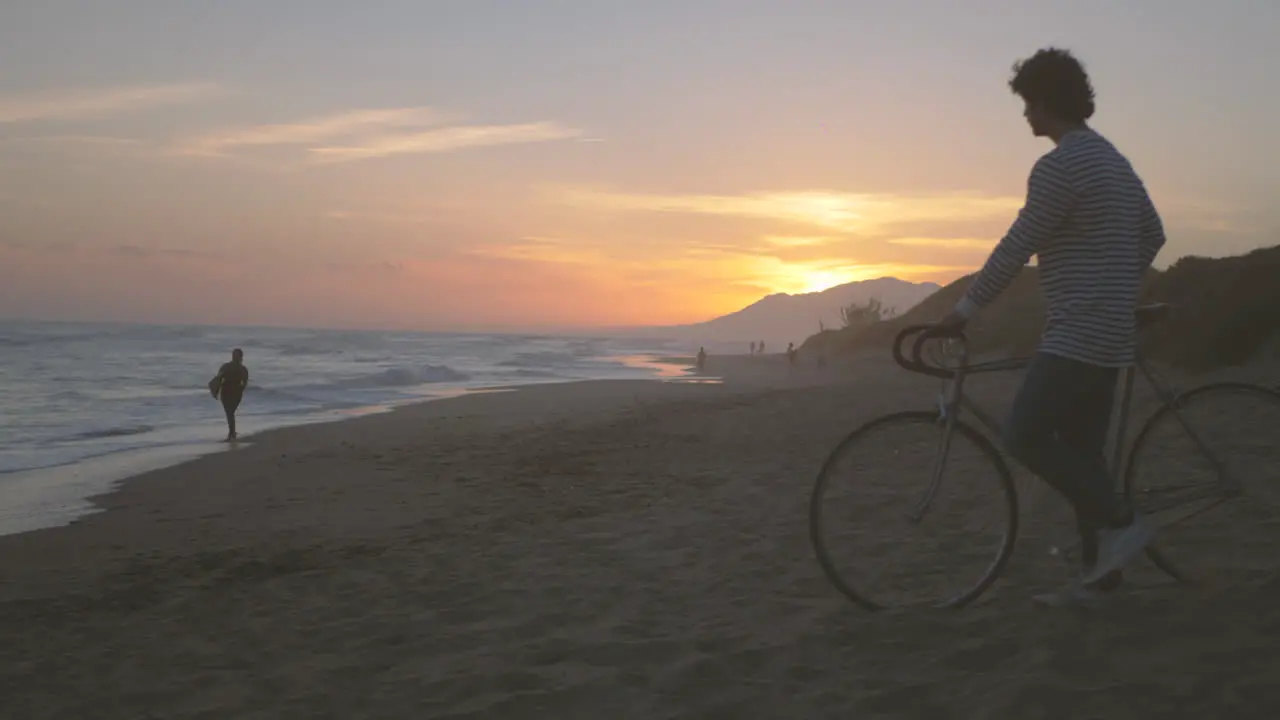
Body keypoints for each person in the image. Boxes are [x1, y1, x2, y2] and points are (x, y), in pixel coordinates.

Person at [936, 48, 1165, 607]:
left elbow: (1017, 247)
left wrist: (964, 311)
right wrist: (1117, 285)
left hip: (1078, 332)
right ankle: (1101, 580)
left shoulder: (1060, 166)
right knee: (1084, 455)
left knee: (1024, 435)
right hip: (1107, 333)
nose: (1024, 116)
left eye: (1027, 103)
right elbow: (1153, 233)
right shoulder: (1112, 159)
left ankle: (1123, 521)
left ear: (1046, 101)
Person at [210, 348, 249, 441]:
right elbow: (218, 378)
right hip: (227, 391)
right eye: (234, 355)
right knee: (230, 412)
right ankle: (232, 433)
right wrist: (215, 390)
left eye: (236, 355)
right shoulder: (228, 367)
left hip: (234, 392)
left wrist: (240, 391)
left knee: (230, 412)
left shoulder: (241, 369)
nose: (235, 357)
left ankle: (232, 433)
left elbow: (244, 383)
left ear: (240, 357)